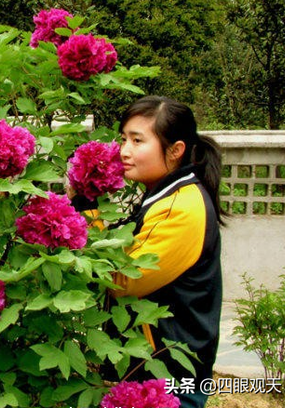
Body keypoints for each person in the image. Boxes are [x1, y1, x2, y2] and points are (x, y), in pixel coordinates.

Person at [74, 95, 224, 408]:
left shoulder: (180, 208)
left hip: (169, 378)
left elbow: (123, 280)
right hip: (155, 368)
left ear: (175, 151)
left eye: (137, 140)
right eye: (123, 138)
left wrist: (86, 209)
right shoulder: (165, 196)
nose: (124, 151)